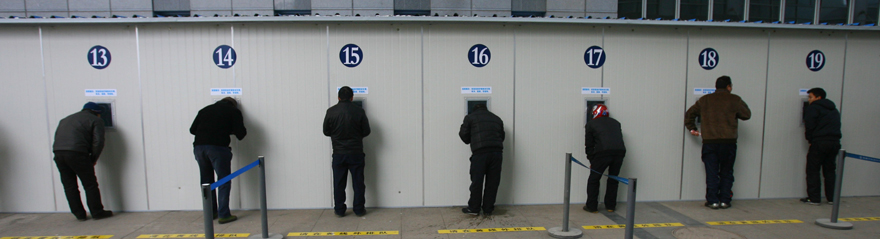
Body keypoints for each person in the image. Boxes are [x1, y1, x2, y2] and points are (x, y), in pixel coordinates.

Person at [684, 76, 751, 210]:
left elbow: (690, 113)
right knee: (727, 171)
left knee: (712, 172)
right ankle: (725, 200)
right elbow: (746, 115)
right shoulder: (735, 99)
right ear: (729, 87)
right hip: (729, 142)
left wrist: (692, 128)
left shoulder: (705, 100)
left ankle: (713, 201)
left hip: (710, 142)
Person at [53, 102, 114, 221]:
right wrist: (92, 159)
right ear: (97, 113)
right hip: (77, 153)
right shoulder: (96, 120)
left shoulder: (65, 119)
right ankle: (97, 212)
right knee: (89, 184)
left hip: (59, 153)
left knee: (69, 185)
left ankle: (79, 214)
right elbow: (98, 142)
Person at [190, 97, 247, 224]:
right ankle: (224, 214)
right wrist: (228, 129)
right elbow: (241, 134)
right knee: (223, 181)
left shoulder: (204, 110)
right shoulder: (233, 111)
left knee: (206, 181)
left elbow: (192, 130)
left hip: (199, 148)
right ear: (234, 105)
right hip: (218, 148)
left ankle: (210, 212)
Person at [323, 86, 371, 217]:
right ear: (352, 97)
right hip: (356, 152)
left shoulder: (331, 111)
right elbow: (367, 131)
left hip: (338, 153)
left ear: (338, 97)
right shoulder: (359, 111)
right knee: (358, 182)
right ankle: (359, 209)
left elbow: (326, 132)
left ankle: (339, 210)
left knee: (339, 183)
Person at [459, 103, 505, 216]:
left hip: (480, 153)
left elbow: (464, 137)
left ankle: (474, 208)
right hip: (497, 153)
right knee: (493, 182)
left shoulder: (470, 117)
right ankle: (488, 209)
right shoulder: (497, 118)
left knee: (477, 181)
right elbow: (502, 137)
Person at [801, 87, 842, 205]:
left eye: (810, 97)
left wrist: (810, 139)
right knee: (830, 170)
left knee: (813, 169)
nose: (809, 100)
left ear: (818, 97)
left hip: (819, 142)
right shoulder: (834, 109)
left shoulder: (813, 108)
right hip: (834, 142)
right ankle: (832, 198)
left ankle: (814, 198)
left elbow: (809, 125)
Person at [583, 104, 626, 213]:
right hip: (619, 153)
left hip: (603, 153)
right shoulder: (616, 123)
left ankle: (591, 206)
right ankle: (610, 206)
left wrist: (592, 160)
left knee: (594, 179)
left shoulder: (591, 124)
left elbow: (589, 145)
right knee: (613, 179)